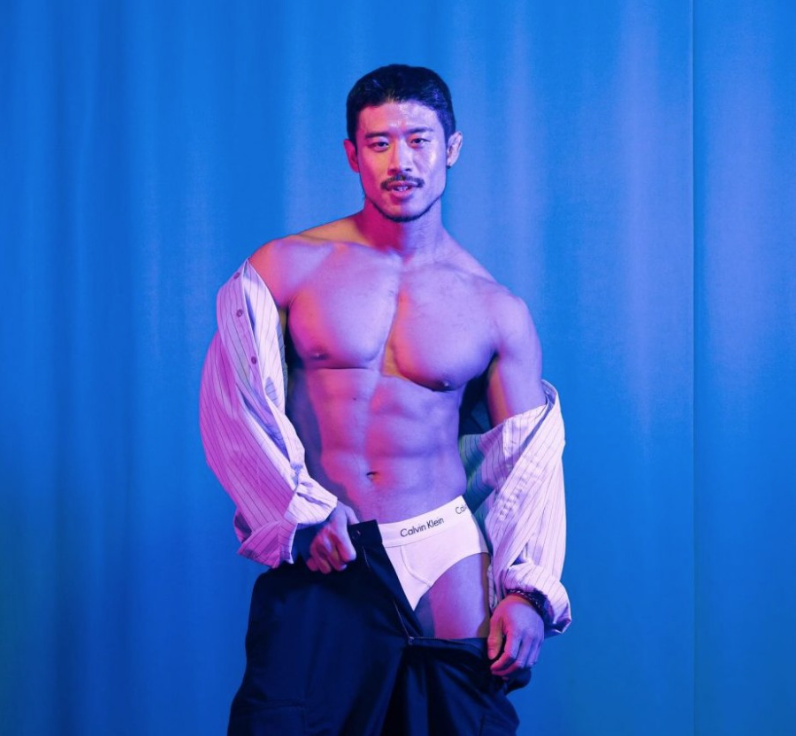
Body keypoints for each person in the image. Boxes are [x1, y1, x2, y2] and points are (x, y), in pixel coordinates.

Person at [200, 64, 570, 736]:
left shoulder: (495, 308)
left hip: (445, 554)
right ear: (352, 154)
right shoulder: (286, 268)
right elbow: (237, 405)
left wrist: (526, 591)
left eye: (420, 140)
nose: (401, 161)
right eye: (380, 143)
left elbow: (528, 462)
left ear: (452, 147)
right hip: (327, 547)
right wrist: (298, 514)